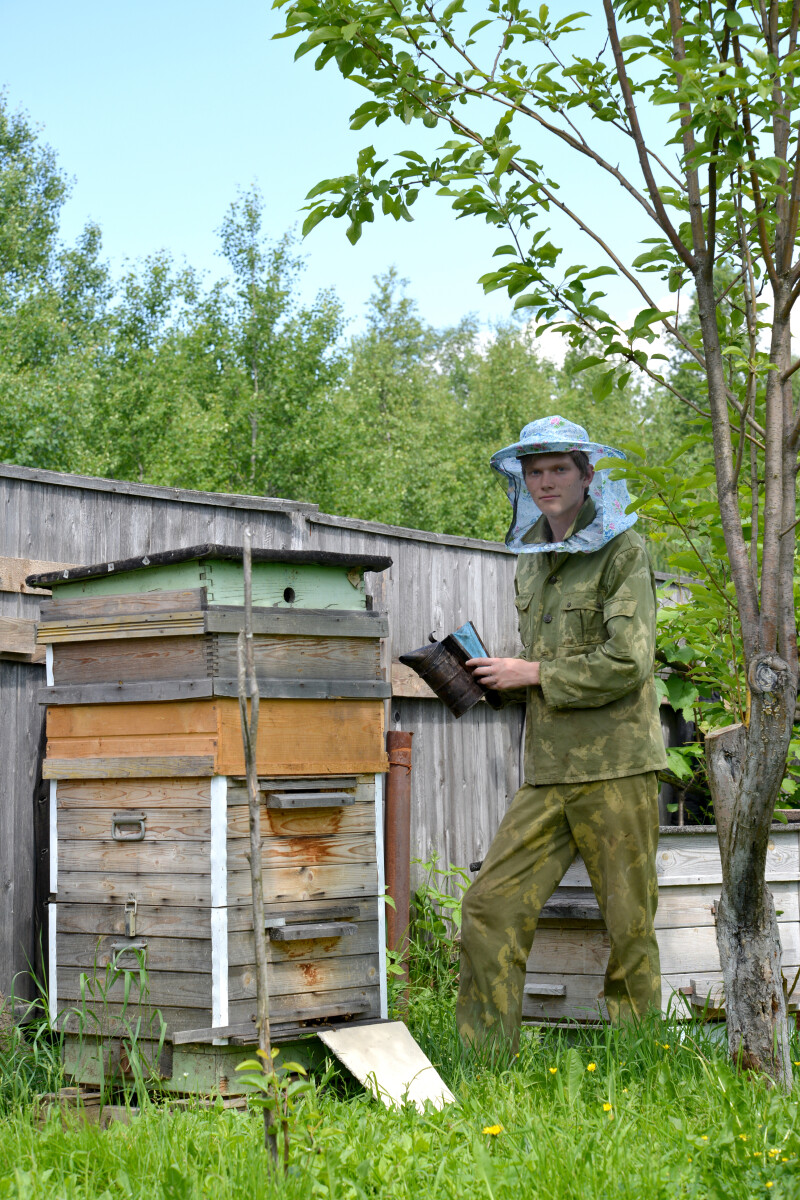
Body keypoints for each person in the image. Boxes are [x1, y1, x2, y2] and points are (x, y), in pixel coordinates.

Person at [457, 415, 667, 1050]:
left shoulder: (625, 550)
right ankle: (483, 1062)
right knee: (489, 907)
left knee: (629, 924)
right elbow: (543, 670)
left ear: (587, 475)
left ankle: (637, 1060)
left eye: (558, 470)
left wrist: (534, 671)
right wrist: (498, 679)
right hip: (548, 770)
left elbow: (630, 661)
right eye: (535, 472)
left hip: (618, 765)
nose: (545, 482)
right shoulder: (535, 561)